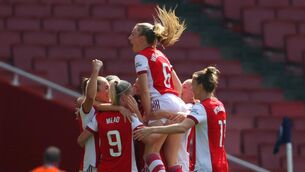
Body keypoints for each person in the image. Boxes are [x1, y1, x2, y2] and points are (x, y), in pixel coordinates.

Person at [134, 66, 229, 172]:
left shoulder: (201, 107)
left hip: (206, 166)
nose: (192, 89)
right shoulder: (219, 105)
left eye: (193, 85)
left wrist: (151, 129)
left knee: (151, 156)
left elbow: (182, 127)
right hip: (221, 164)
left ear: (200, 86)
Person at [128, 6, 188, 172]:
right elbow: (178, 86)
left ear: (142, 38)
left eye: (133, 34)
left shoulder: (141, 56)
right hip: (177, 102)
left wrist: (148, 113)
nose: (130, 37)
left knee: (150, 153)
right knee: (172, 158)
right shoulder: (162, 55)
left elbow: (145, 91)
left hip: (161, 103)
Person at [77, 80, 144, 172]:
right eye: (106, 88)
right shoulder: (129, 116)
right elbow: (146, 136)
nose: (109, 92)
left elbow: (80, 140)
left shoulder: (99, 116)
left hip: (103, 166)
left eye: (110, 88)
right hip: (92, 165)